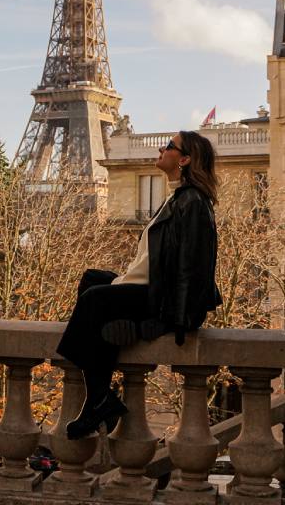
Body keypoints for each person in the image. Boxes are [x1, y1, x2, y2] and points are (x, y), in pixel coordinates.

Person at [55, 129, 223, 439]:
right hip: (145, 286)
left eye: (169, 146)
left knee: (93, 299)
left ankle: (98, 398)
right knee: (92, 279)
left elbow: (192, 267)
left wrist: (172, 320)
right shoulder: (176, 196)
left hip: (158, 297)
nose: (161, 148)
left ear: (184, 159)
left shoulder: (193, 202)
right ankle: (101, 388)